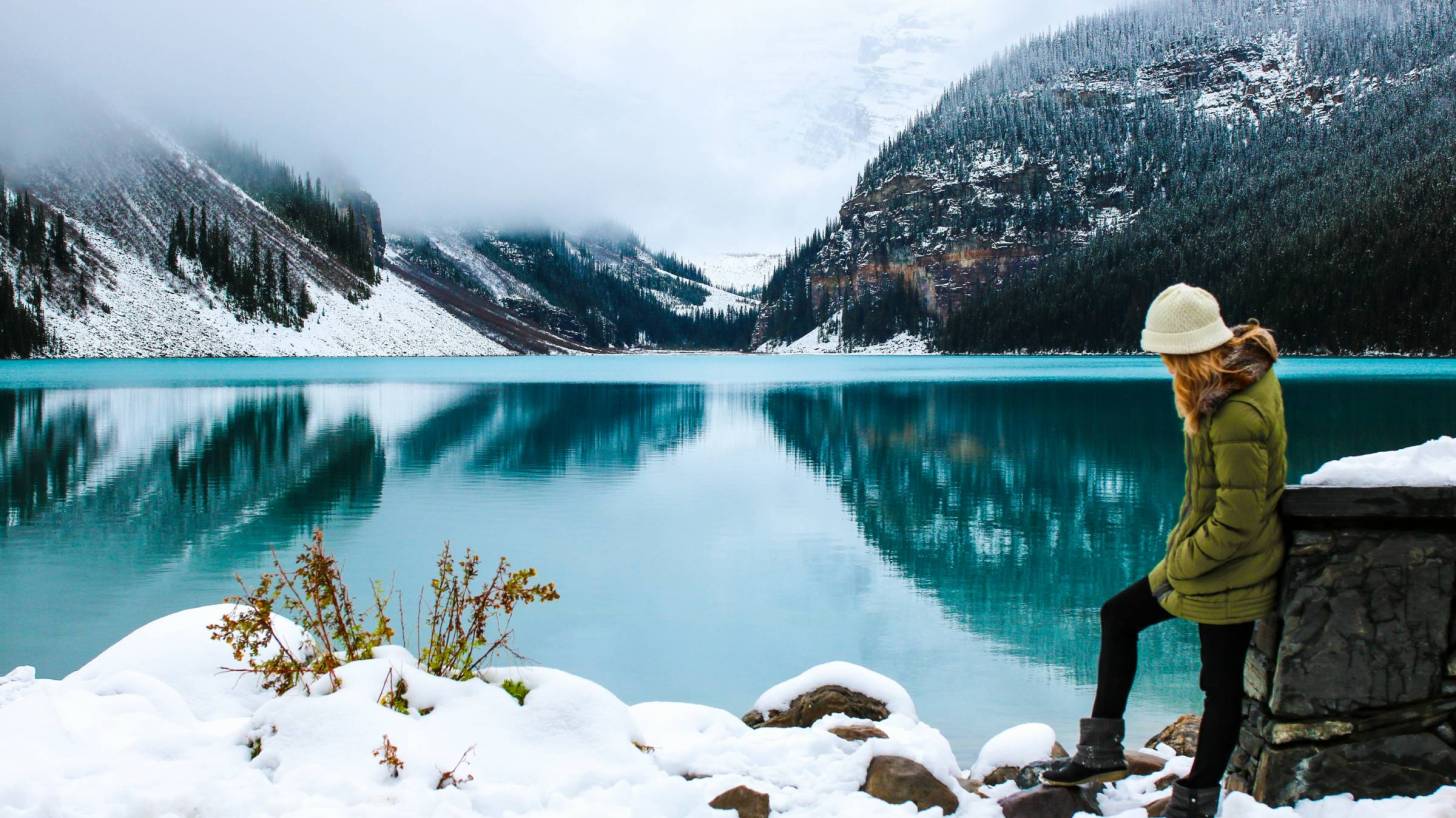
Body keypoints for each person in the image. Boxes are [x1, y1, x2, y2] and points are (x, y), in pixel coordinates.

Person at [1040, 284, 1287, 818]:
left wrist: (1180, 563)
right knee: (1119, 615)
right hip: (1205, 559)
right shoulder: (1226, 385)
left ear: (1189, 351)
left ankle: (1196, 798)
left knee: (1220, 686)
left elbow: (1238, 518)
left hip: (1233, 567)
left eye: (1167, 356)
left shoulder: (1237, 411)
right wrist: (1182, 557)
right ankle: (1100, 751)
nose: (1164, 366)